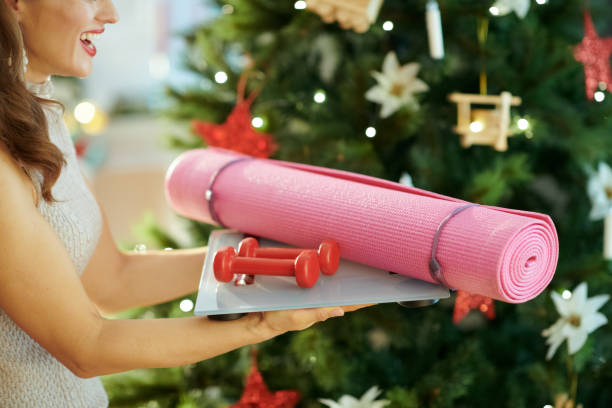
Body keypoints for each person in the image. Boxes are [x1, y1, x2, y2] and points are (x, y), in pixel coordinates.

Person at [0, 1, 370, 406]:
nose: (110, 14)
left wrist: (265, 257)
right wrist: (262, 323)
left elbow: (113, 280)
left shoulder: (37, 115)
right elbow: (87, 344)